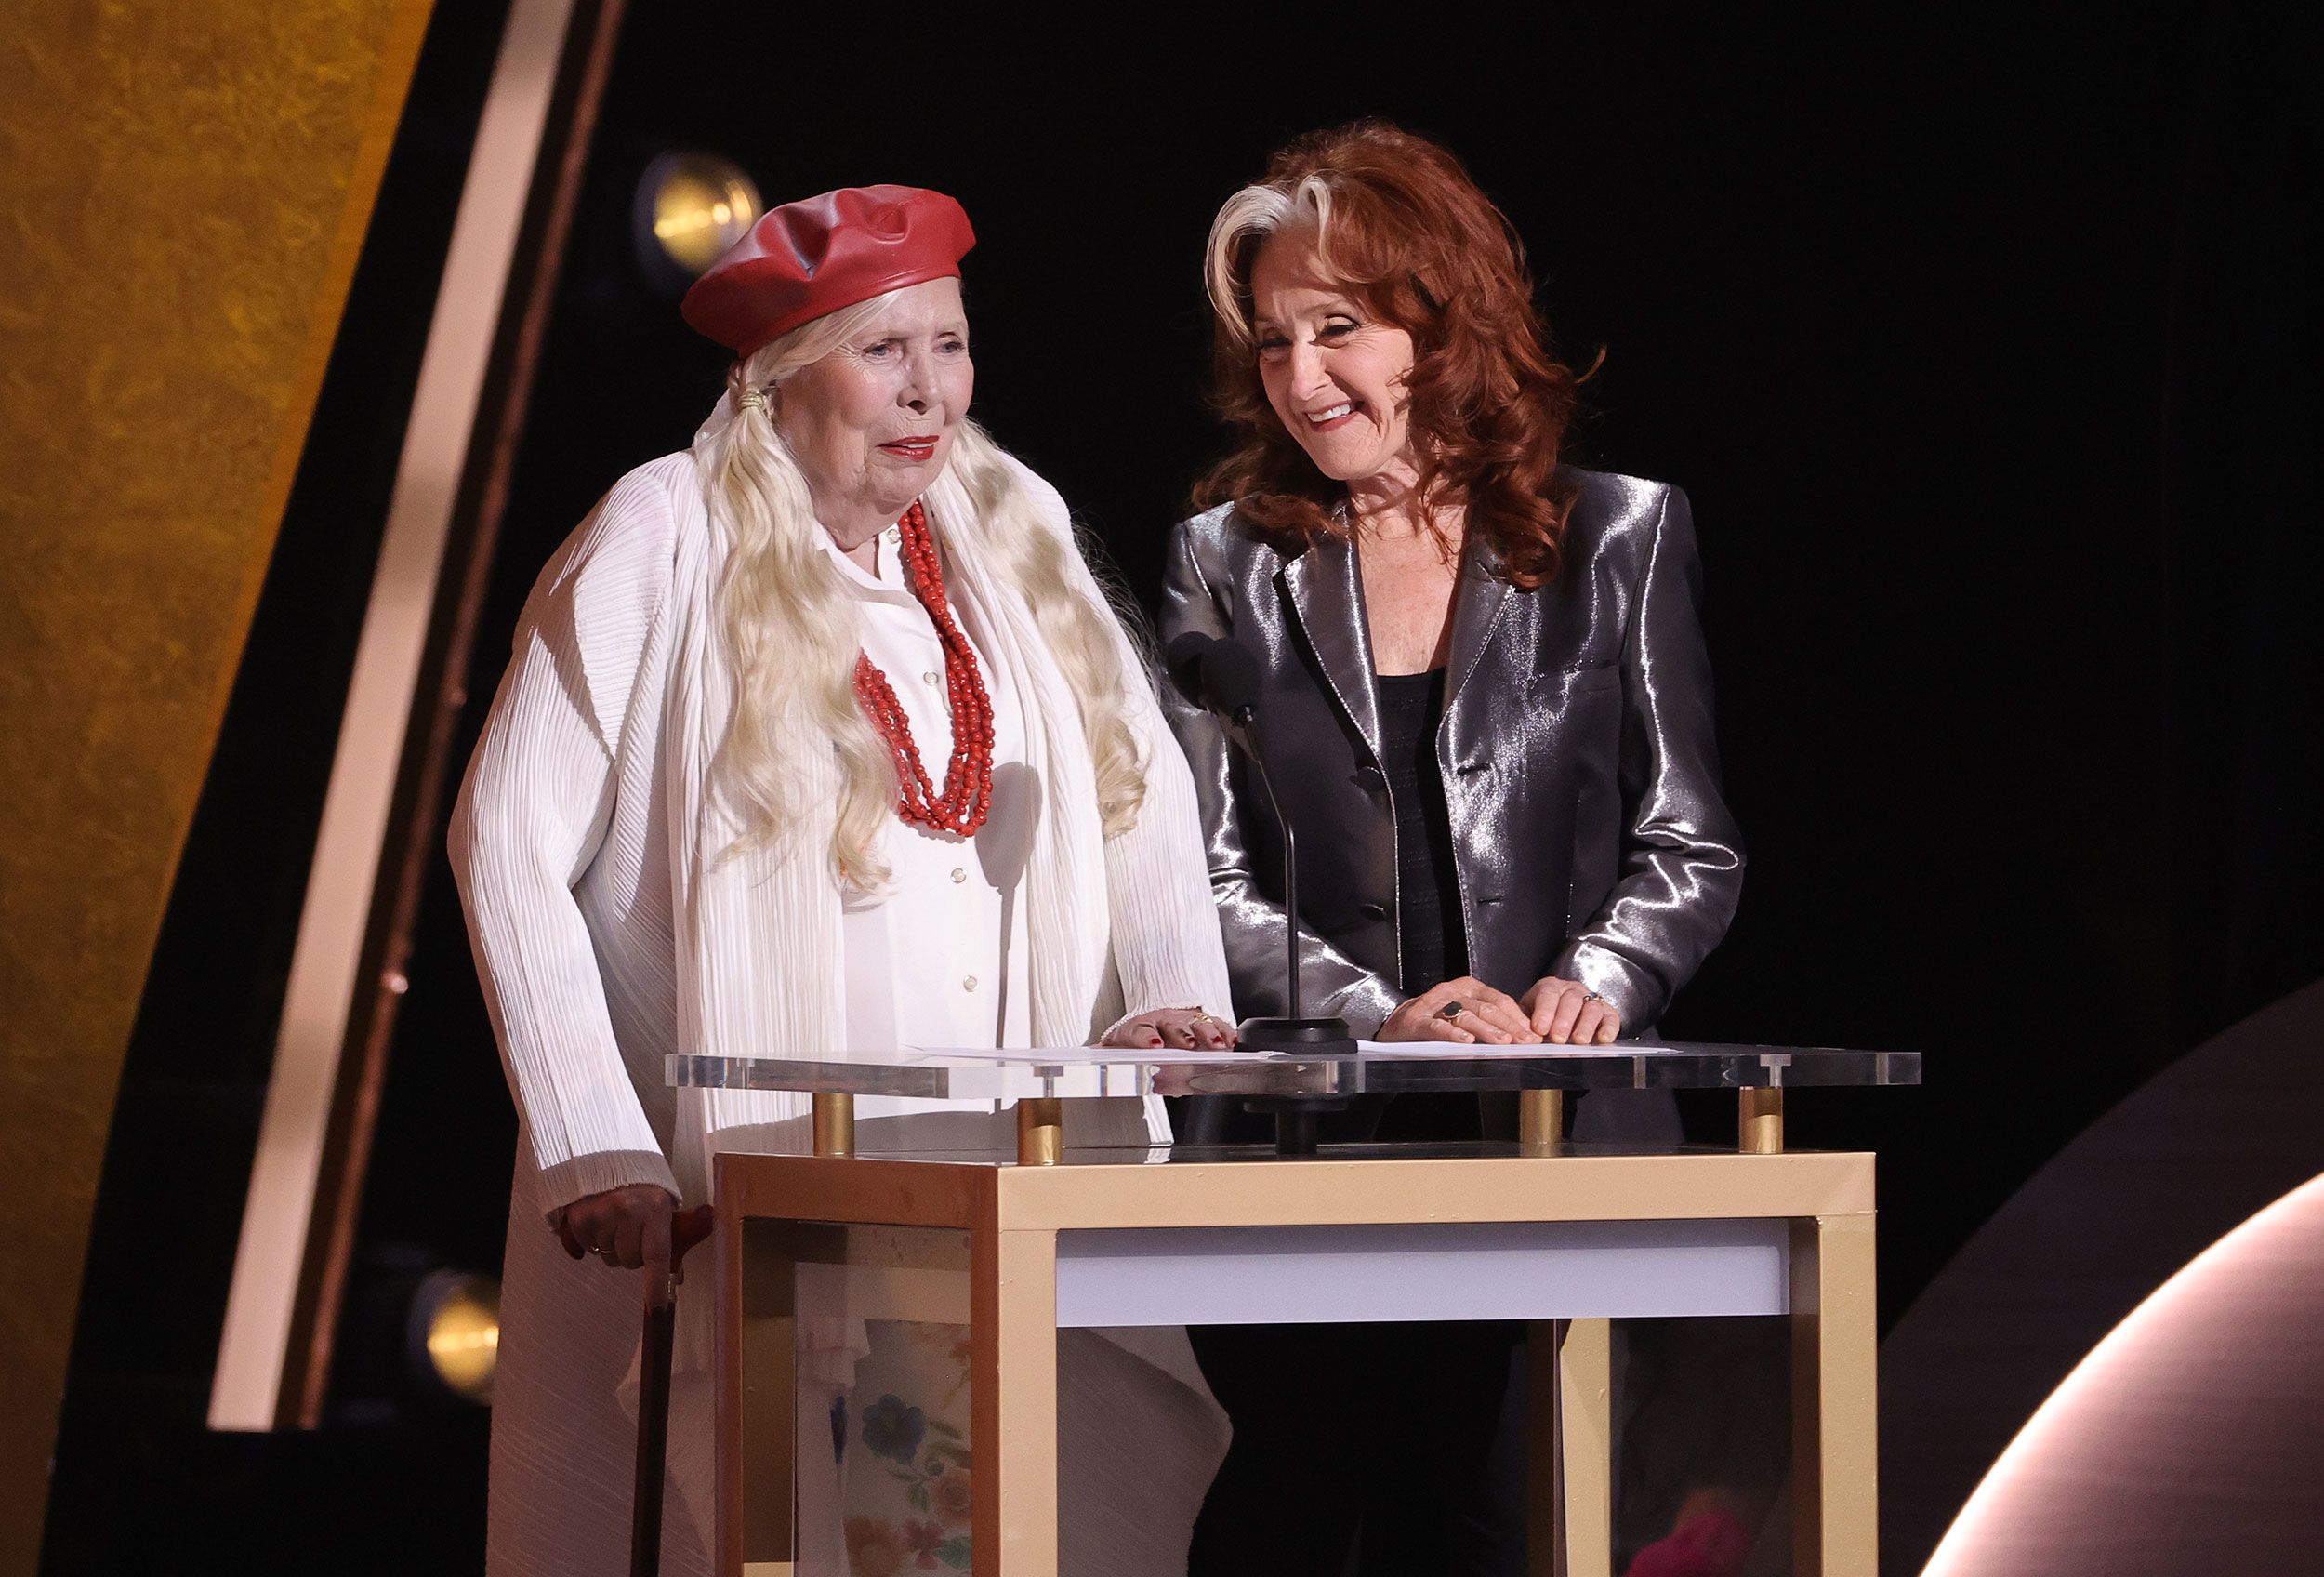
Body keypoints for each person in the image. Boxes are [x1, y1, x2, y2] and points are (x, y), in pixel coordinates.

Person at [451, 185, 1238, 1577]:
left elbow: (1139, 784)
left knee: (992, 1531)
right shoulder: (665, 529)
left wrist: (1168, 997)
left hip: (992, 1156)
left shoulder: (1011, 523)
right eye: (884, 352)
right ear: (780, 379)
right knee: (780, 1532)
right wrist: (597, 1137)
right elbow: (505, 840)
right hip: (735, 1167)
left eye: (950, 346)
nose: (928, 393)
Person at [1158, 124, 1748, 1575]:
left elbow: (1691, 840)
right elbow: (1197, 875)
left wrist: (1600, 978)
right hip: (1306, 1151)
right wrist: (1377, 1021)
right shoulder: (1225, 559)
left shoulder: (1618, 537)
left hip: (1544, 1142)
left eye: (1339, 329)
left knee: (1492, 1530)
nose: (1305, 379)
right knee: (1287, 1523)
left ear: (1439, 319)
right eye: (1276, 341)